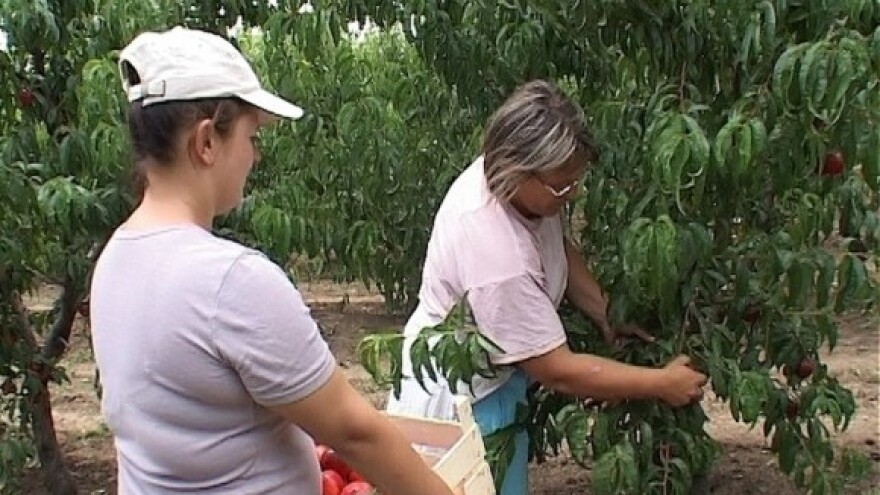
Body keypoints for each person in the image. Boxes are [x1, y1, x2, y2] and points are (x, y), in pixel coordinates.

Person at [89, 26, 454, 495]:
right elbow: (354, 432)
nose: (255, 155)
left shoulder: (116, 257)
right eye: (251, 135)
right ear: (206, 141)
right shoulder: (228, 280)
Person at [385, 79, 709, 495]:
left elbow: (556, 247)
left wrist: (605, 311)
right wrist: (661, 383)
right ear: (518, 171)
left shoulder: (512, 180)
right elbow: (557, 369)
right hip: (461, 402)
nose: (572, 193)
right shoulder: (498, 257)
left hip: (495, 380)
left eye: (576, 181)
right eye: (562, 185)